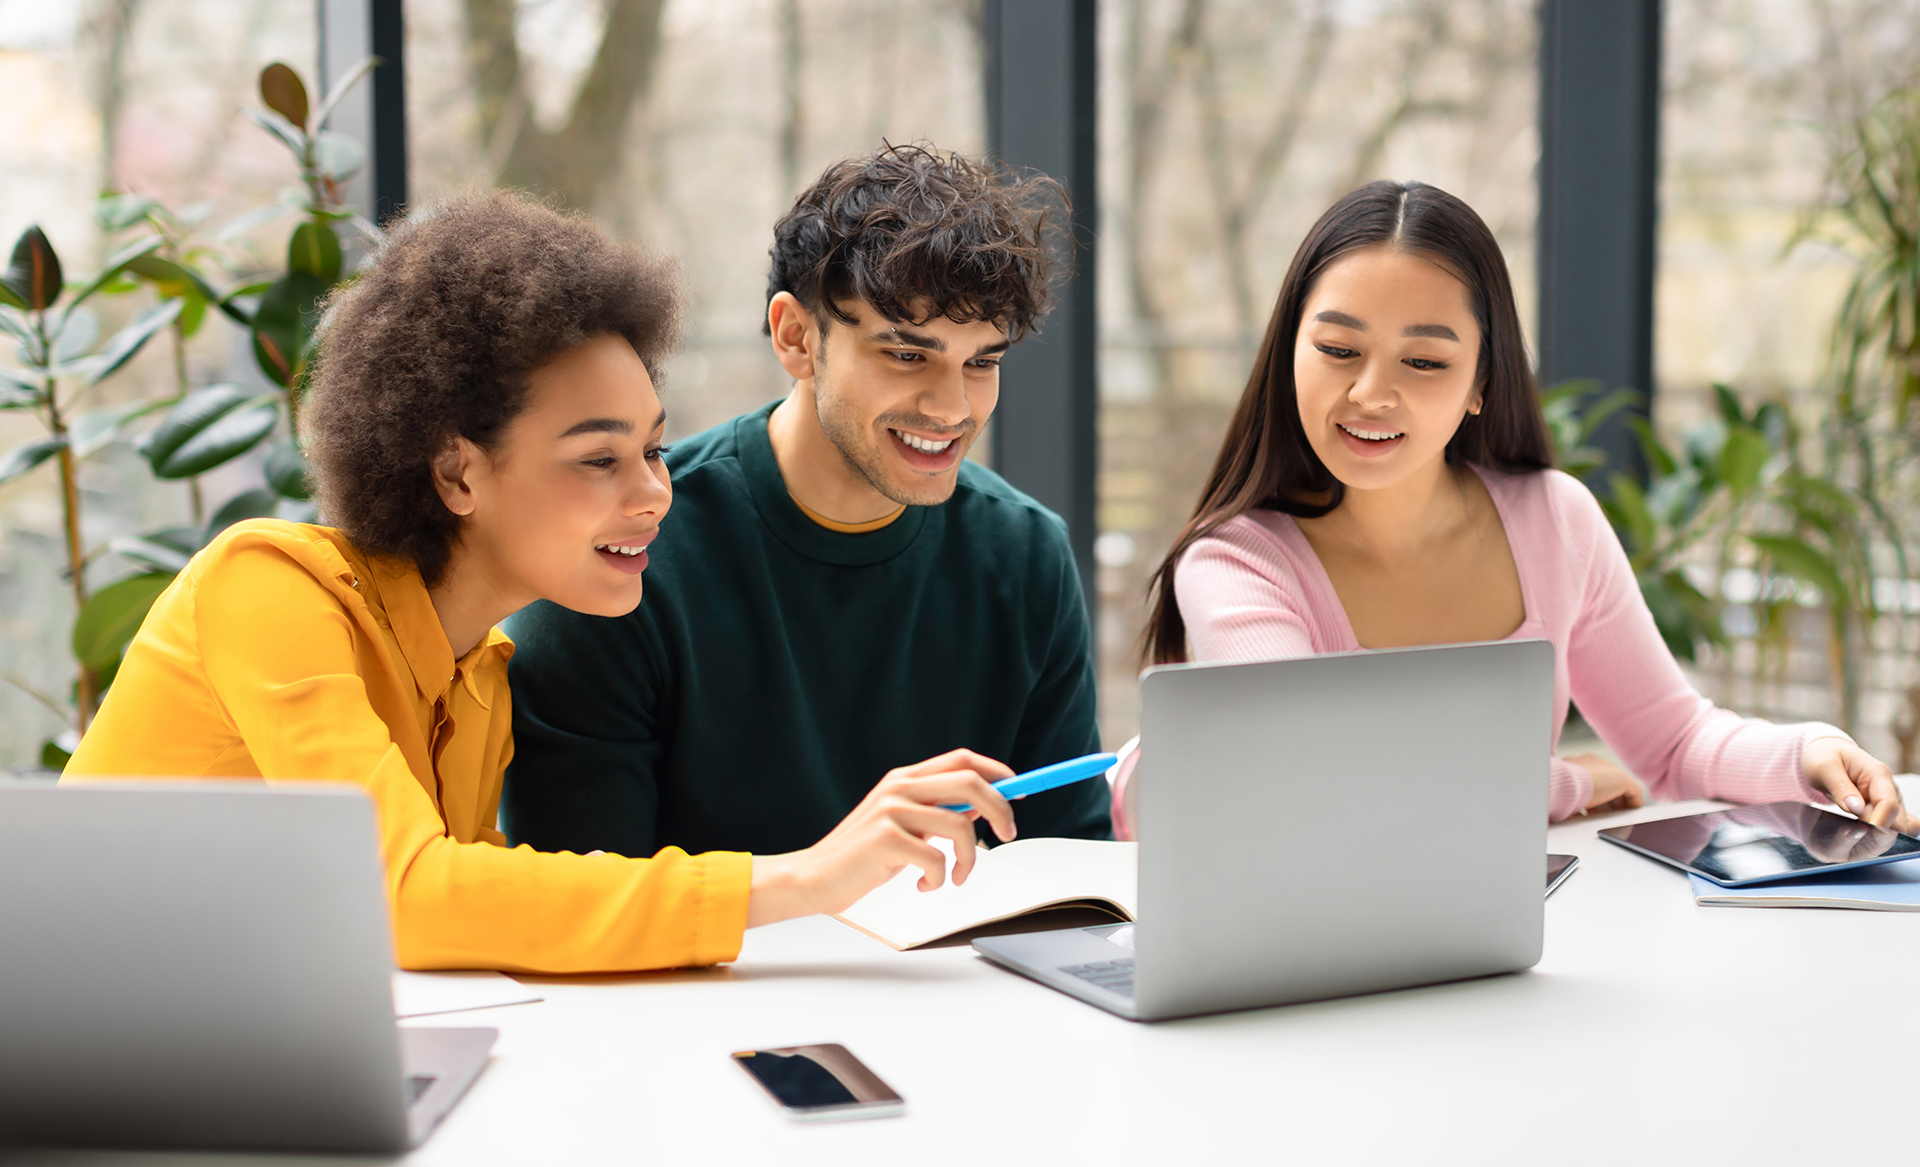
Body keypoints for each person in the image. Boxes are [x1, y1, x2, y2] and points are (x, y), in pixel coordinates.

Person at [61, 191, 1023, 974]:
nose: (656, 493)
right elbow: (408, 895)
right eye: (599, 460)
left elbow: (487, 916)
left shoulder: (481, 676)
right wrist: (806, 878)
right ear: (457, 474)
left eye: (652, 449)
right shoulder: (267, 586)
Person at [1124, 179, 1914, 836]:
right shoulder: (1236, 562)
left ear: (1479, 384)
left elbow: (1672, 743)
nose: (1370, 393)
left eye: (1425, 360)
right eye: (1336, 350)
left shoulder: (1553, 520)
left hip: (1499, 944)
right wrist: (1567, 782)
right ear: (1287, 351)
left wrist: (1808, 752)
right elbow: (1326, 782)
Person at [500, 144, 1112, 859]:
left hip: (963, 974)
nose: (952, 409)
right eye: (907, 354)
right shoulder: (621, 557)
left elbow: (1071, 877)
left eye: (982, 362)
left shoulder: (1026, 555)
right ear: (796, 337)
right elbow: (584, 916)